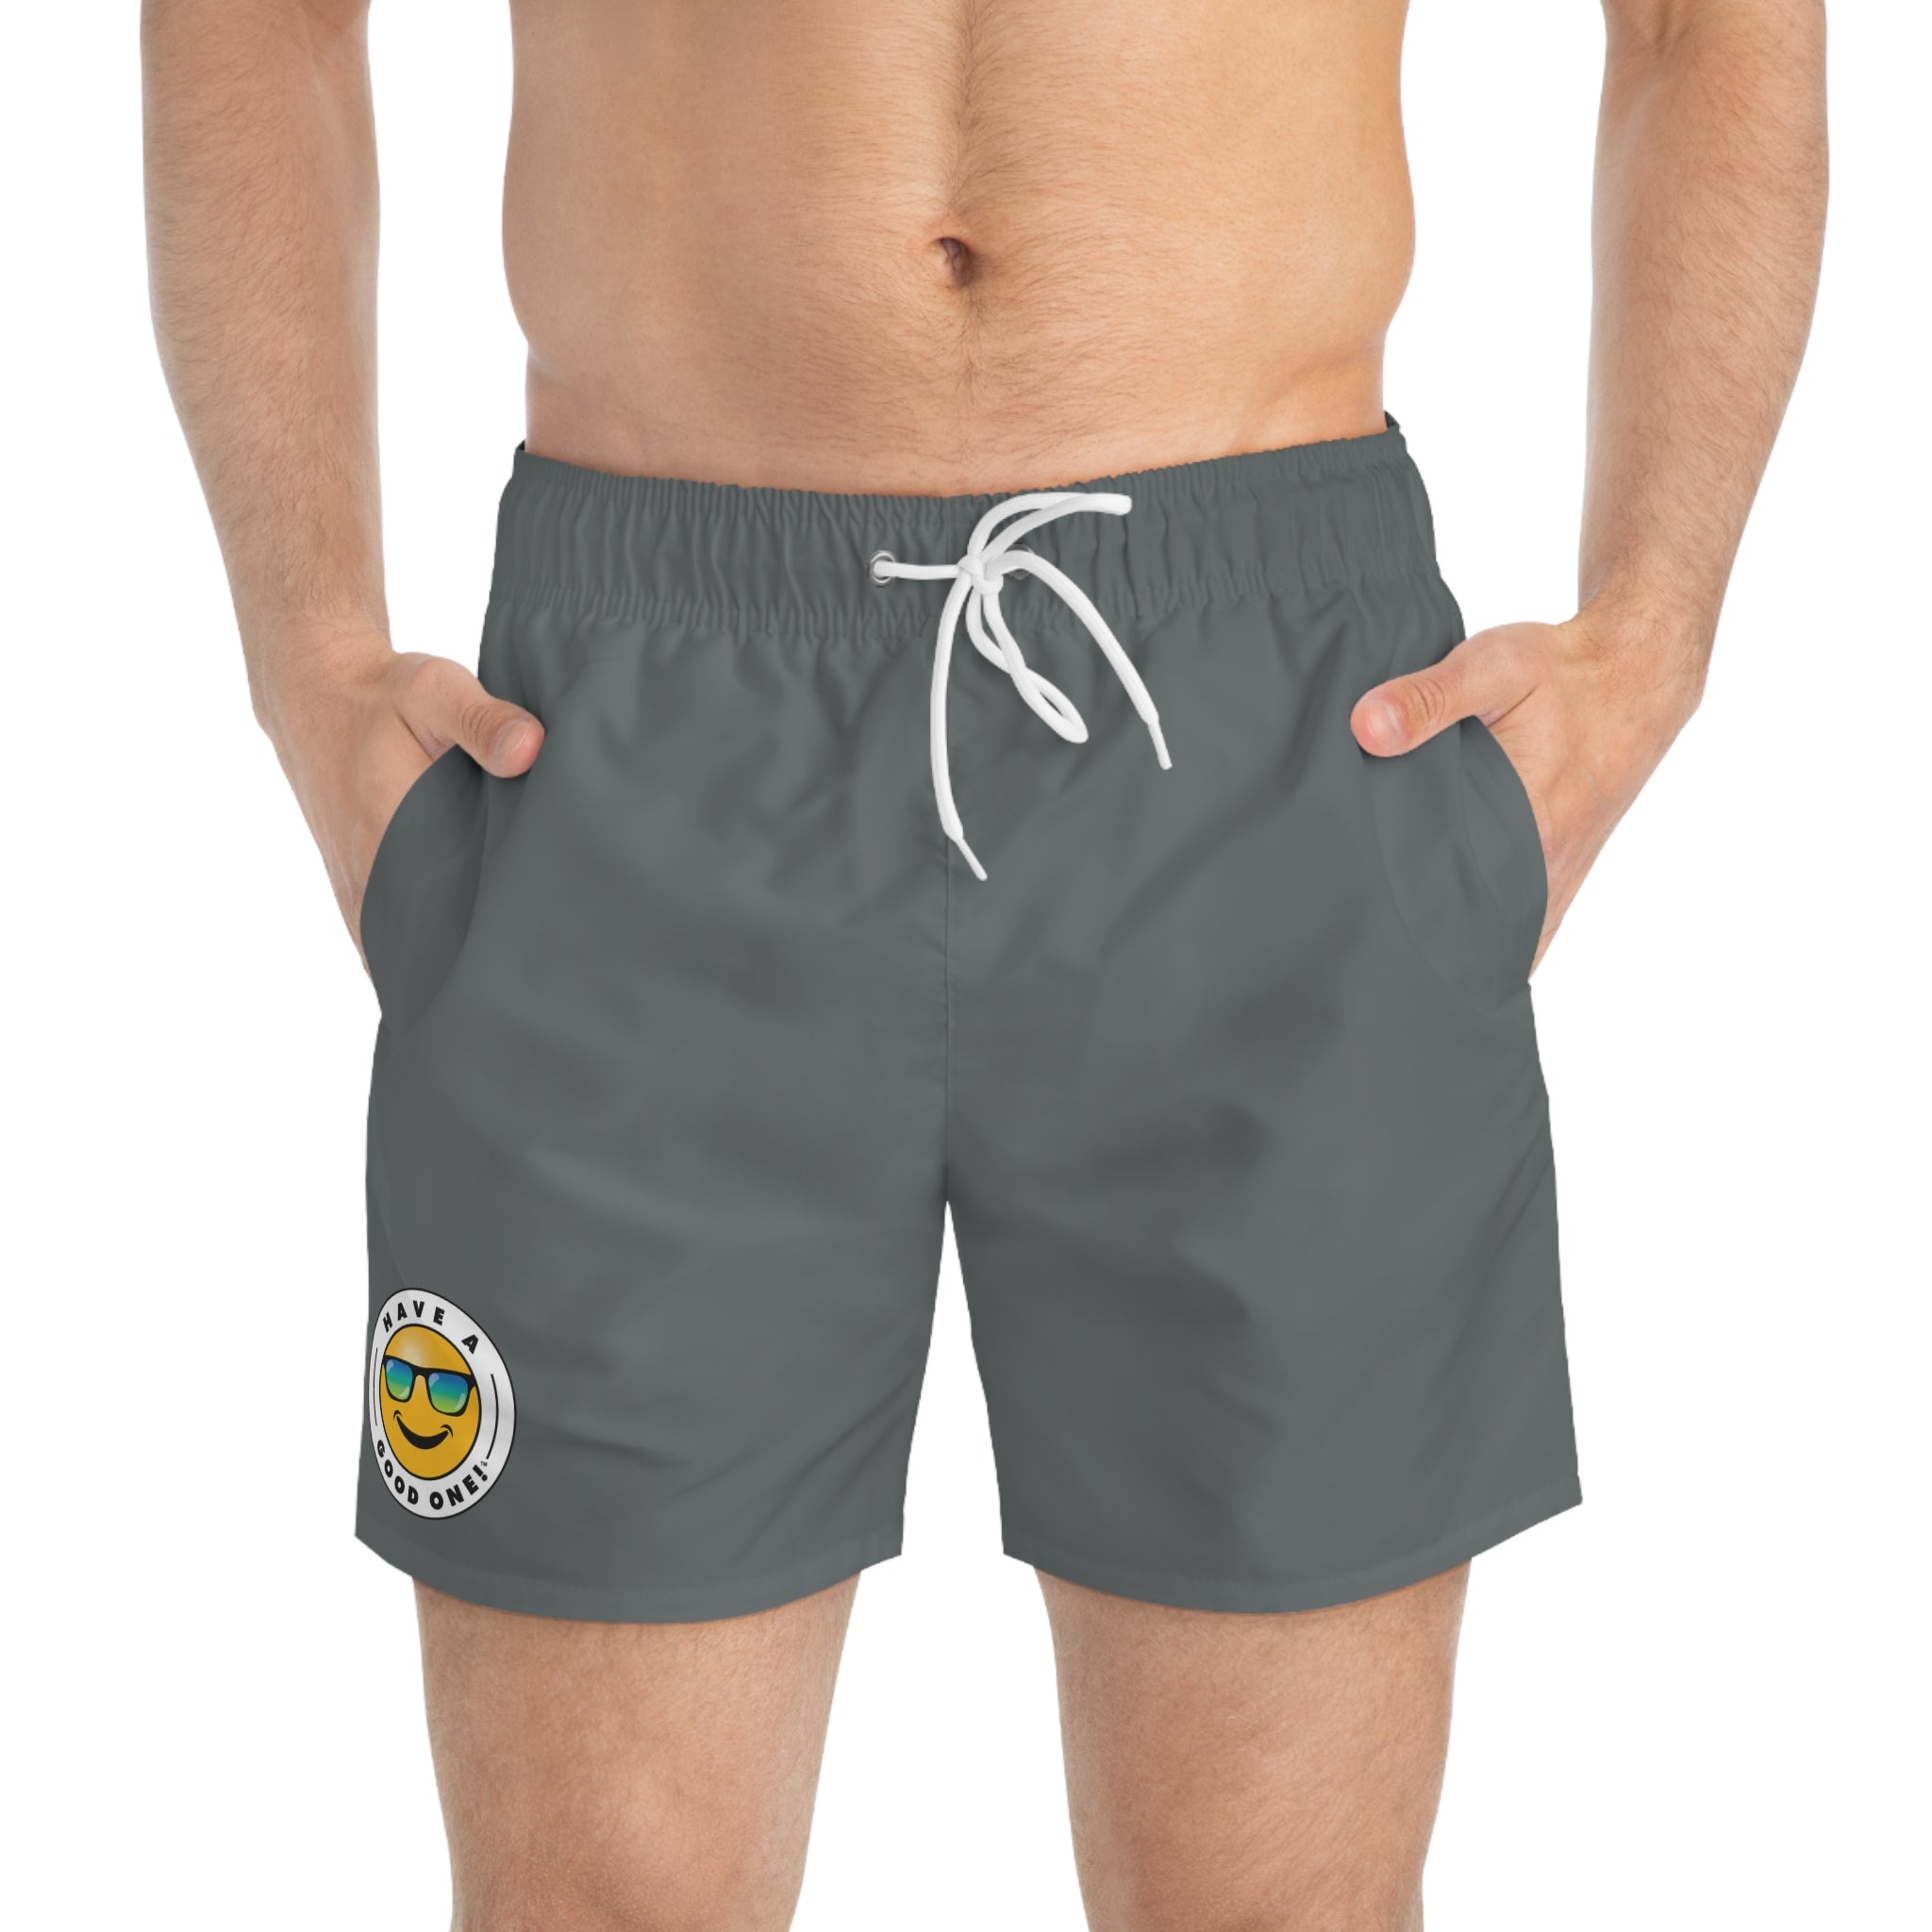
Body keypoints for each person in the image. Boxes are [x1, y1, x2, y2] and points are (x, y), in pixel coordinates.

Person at [142, 1, 1826, 1924]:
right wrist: (305, 648)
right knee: (600, 1896)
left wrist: (1656, 624)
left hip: (1269, 713)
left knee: (1273, 1904)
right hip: (648, 716)